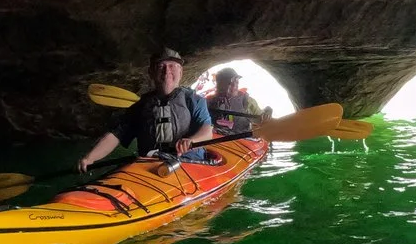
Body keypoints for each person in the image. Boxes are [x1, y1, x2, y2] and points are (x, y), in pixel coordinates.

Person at [78, 48, 215, 171]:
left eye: (172, 66)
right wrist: (90, 158)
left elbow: (207, 130)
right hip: (150, 166)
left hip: (190, 164)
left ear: (181, 71)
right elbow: (116, 135)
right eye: (161, 66)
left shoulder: (194, 100)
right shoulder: (141, 106)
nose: (167, 71)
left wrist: (192, 141)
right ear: (151, 72)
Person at [207, 66, 272, 134]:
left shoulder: (247, 101)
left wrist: (268, 111)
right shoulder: (208, 101)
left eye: (236, 82)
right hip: (216, 138)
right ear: (218, 84)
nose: (235, 86)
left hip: (240, 139)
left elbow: (262, 119)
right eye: (230, 83)